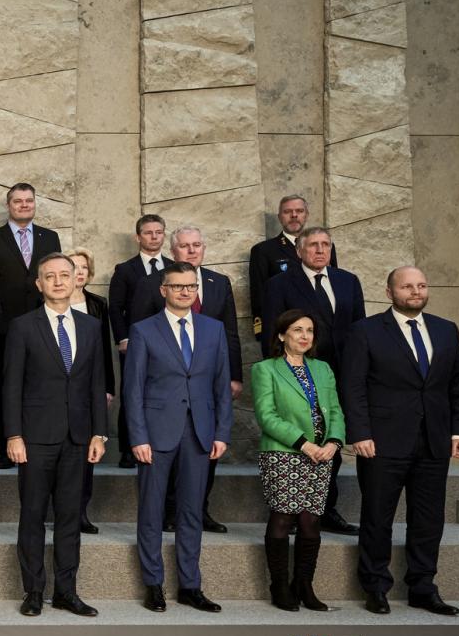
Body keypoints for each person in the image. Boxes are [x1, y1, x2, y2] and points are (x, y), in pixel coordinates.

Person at [342, 266, 459, 617]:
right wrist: (360, 433)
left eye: (421, 285)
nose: (415, 291)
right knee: (377, 517)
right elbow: (352, 387)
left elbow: (458, 383)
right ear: (389, 292)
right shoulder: (365, 331)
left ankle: (422, 587)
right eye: (407, 286)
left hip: (434, 441)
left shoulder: (446, 330)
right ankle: (375, 587)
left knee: (429, 520)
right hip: (382, 442)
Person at [125, 261, 233, 614]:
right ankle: (153, 584)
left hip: (200, 432)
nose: (185, 292)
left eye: (190, 286)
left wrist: (222, 432)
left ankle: (190, 585)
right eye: (177, 286)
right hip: (156, 434)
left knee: (191, 511)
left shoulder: (214, 329)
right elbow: (133, 389)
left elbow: (221, 385)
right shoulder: (144, 330)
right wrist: (137, 436)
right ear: (164, 290)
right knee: (152, 510)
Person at [2, 253, 106, 618]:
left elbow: (96, 384)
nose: (59, 281)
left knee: (69, 517)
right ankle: (33, 591)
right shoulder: (22, 327)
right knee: (32, 515)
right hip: (34, 438)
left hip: (78, 438)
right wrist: (13, 435)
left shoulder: (91, 326)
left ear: (78, 279)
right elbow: (11, 386)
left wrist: (100, 433)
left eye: (66, 274)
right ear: (39, 284)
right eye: (51, 276)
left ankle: (66, 591)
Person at [130, 225, 243, 533]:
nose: (192, 250)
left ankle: (198, 509)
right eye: (184, 246)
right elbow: (139, 331)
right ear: (173, 250)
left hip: (205, 389)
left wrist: (234, 376)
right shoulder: (153, 283)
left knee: (203, 458)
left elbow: (229, 332)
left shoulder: (218, 282)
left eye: (197, 245)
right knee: (167, 463)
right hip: (165, 394)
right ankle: (169, 511)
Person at [261, 226, 364, 535]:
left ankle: (325, 508)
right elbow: (271, 331)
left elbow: (359, 331)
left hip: (341, 375)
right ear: (299, 251)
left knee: (331, 438)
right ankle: (291, 510)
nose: (321, 250)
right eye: (314, 245)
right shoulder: (279, 284)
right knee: (301, 437)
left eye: (326, 245)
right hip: (299, 374)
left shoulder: (348, 281)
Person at [251, 309, 344, 612]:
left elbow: (335, 409)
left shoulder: (323, 369)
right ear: (281, 335)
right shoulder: (266, 369)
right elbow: (267, 416)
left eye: (309, 331)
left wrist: (333, 441)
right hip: (284, 452)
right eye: (297, 330)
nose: (304, 336)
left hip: (322, 455)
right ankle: (279, 585)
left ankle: (303, 584)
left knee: (311, 520)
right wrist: (303, 444)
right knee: (283, 517)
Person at [0, 183, 62, 470]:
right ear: (9, 205)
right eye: (18, 201)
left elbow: (56, 281)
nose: (24, 205)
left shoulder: (50, 238)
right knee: (7, 387)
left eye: (28, 201)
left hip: (44, 326)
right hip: (5, 329)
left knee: (42, 387)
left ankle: (38, 446)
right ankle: (5, 449)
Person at [109, 213, 168, 468]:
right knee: (132, 392)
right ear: (138, 237)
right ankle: (127, 449)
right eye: (148, 232)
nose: (154, 237)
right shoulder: (125, 270)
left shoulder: (174, 268)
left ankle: (161, 444)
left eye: (158, 232)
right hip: (135, 344)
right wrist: (123, 338)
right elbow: (115, 307)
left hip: (168, 344)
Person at [247, 193, 338, 345]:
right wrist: (265, 335)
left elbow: (332, 283)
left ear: (306, 215)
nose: (294, 215)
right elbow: (259, 296)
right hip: (289, 337)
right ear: (279, 217)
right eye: (287, 212)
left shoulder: (326, 246)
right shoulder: (264, 251)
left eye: (299, 211)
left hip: (327, 334)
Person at [66, 248, 113, 535]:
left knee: (86, 455)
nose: (80, 272)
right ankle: (61, 510)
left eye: (84, 267)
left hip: (88, 390)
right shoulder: (49, 303)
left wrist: (107, 388)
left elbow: (104, 351)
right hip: (58, 390)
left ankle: (81, 512)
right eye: (74, 266)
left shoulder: (98, 304)